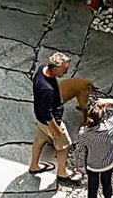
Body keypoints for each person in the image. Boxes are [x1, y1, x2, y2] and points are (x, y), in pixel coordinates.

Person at [29, 52, 78, 185]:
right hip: (50, 122)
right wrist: (56, 130)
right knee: (63, 146)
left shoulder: (42, 69)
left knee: (39, 140)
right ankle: (62, 172)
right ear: (54, 69)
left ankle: (34, 166)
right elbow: (48, 114)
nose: (67, 71)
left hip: (40, 119)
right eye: (64, 69)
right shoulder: (47, 90)